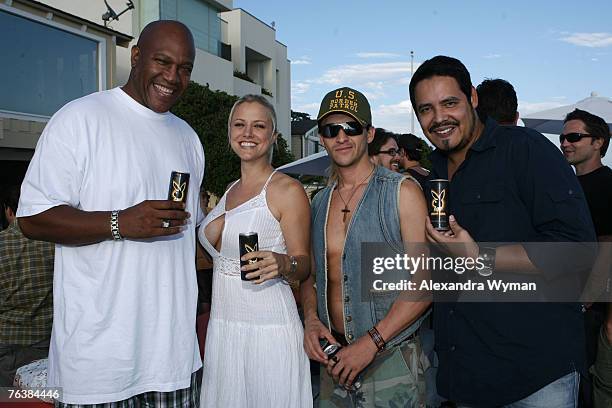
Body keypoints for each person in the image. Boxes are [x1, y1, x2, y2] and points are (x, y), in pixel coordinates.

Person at [17, 21, 204, 406]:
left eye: (184, 68)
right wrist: (119, 222)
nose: (173, 77)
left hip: (171, 360)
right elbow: (32, 218)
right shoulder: (80, 118)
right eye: (162, 61)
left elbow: (190, 238)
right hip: (96, 364)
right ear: (136, 57)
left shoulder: (188, 137)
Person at [409, 55, 596, 407]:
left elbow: (576, 250)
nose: (439, 118)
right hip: (465, 375)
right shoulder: (432, 169)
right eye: (426, 109)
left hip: (534, 377)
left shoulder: (526, 150)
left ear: (473, 98)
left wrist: (481, 256)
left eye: (450, 103)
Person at [301, 86, 431, 407]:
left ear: (369, 133)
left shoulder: (402, 192)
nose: (341, 137)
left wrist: (370, 343)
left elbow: (425, 282)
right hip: (335, 365)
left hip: (391, 360)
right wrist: (311, 319)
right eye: (332, 130)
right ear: (321, 137)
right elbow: (310, 275)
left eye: (352, 127)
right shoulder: (319, 203)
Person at [198, 94, 312, 407]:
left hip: (269, 330)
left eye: (258, 126)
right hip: (224, 328)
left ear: (273, 135)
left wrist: (282, 263)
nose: (248, 133)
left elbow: (304, 264)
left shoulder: (287, 190)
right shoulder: (230, 189)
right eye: (240, 124)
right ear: (230, 132)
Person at [561, 108, 612, 407]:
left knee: (588, 389)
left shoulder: (606, 184)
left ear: (598, 142)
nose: (565, 143)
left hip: (590, 310)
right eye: (563, 137)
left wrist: (587, 299)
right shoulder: (566, 186)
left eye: (575, 137)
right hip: (567, 303)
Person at [0, 185, 54, 386]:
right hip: (47, 345)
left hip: (6, 347)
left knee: (9, 400)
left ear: (9, 210)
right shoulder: (56, 245)